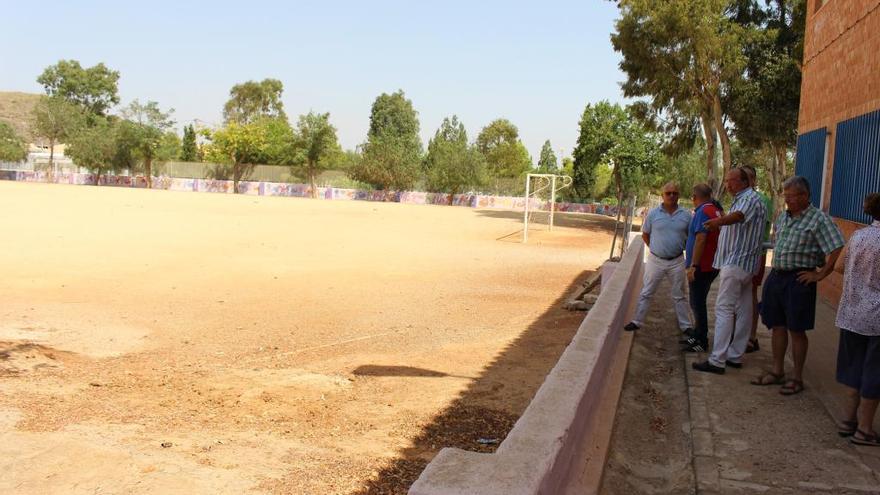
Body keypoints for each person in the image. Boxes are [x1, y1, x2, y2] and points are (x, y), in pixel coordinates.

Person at [751, 176, 844, 394]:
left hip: (798, 280)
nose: (787, 201)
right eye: (786, 196)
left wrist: (821, 274)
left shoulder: (819, 220)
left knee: (797, 329)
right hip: (777, 277)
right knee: (777, 326)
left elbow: (838, 247)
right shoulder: (784, 217)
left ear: (804, 196)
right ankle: (777, 371)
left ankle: (797, 378)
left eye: (791, 197)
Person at [692, 168, 767, 374]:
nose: (727, 185)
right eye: (726, 181)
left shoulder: (749, 198)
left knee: (724, 308)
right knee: (743, 309)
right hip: (744, 264)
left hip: (737, 262)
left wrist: (718, 222)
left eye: (731, 181)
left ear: (743, 182)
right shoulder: (748, 198)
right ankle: (734, 355)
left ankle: (717, 360)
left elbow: (738, 216)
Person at [835, 193, 880, 445]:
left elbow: (840, 267)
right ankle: (864, 429)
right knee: (874, 372)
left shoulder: (858, 236)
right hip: (877, 319)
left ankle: (847, 420)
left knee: (853, 367)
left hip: (851, 313)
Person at [624, 182, 693, 334]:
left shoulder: (686, 215)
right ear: (662, 195)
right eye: (668, 193)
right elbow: (645, 234)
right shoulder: (653, 214)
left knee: (679, 294)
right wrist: (655, 249)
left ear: (679, 195)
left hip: (677, 261)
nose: (672, 196)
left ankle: (686, 326)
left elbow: (691, 237)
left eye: (675, 193)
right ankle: (637, 321)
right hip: (656, 260)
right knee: (647, 292)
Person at [681, 184, 723, 352]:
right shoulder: (715, 210)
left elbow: (700, 239)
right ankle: (697, 335)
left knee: (697, 303)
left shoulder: (702, 212)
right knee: (698, 301)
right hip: (712, 264)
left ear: (694, 197)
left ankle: (701, 340)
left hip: (702, 266)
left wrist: (693, 266)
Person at [741, 165, 773, 354]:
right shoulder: (741, 199)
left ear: (753, 181)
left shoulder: (761, 201)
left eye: (747, 178)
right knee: (738, 297)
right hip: (739, 256)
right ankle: (739, 334)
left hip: (754, 256)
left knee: (750, 295)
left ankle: (751, 336)